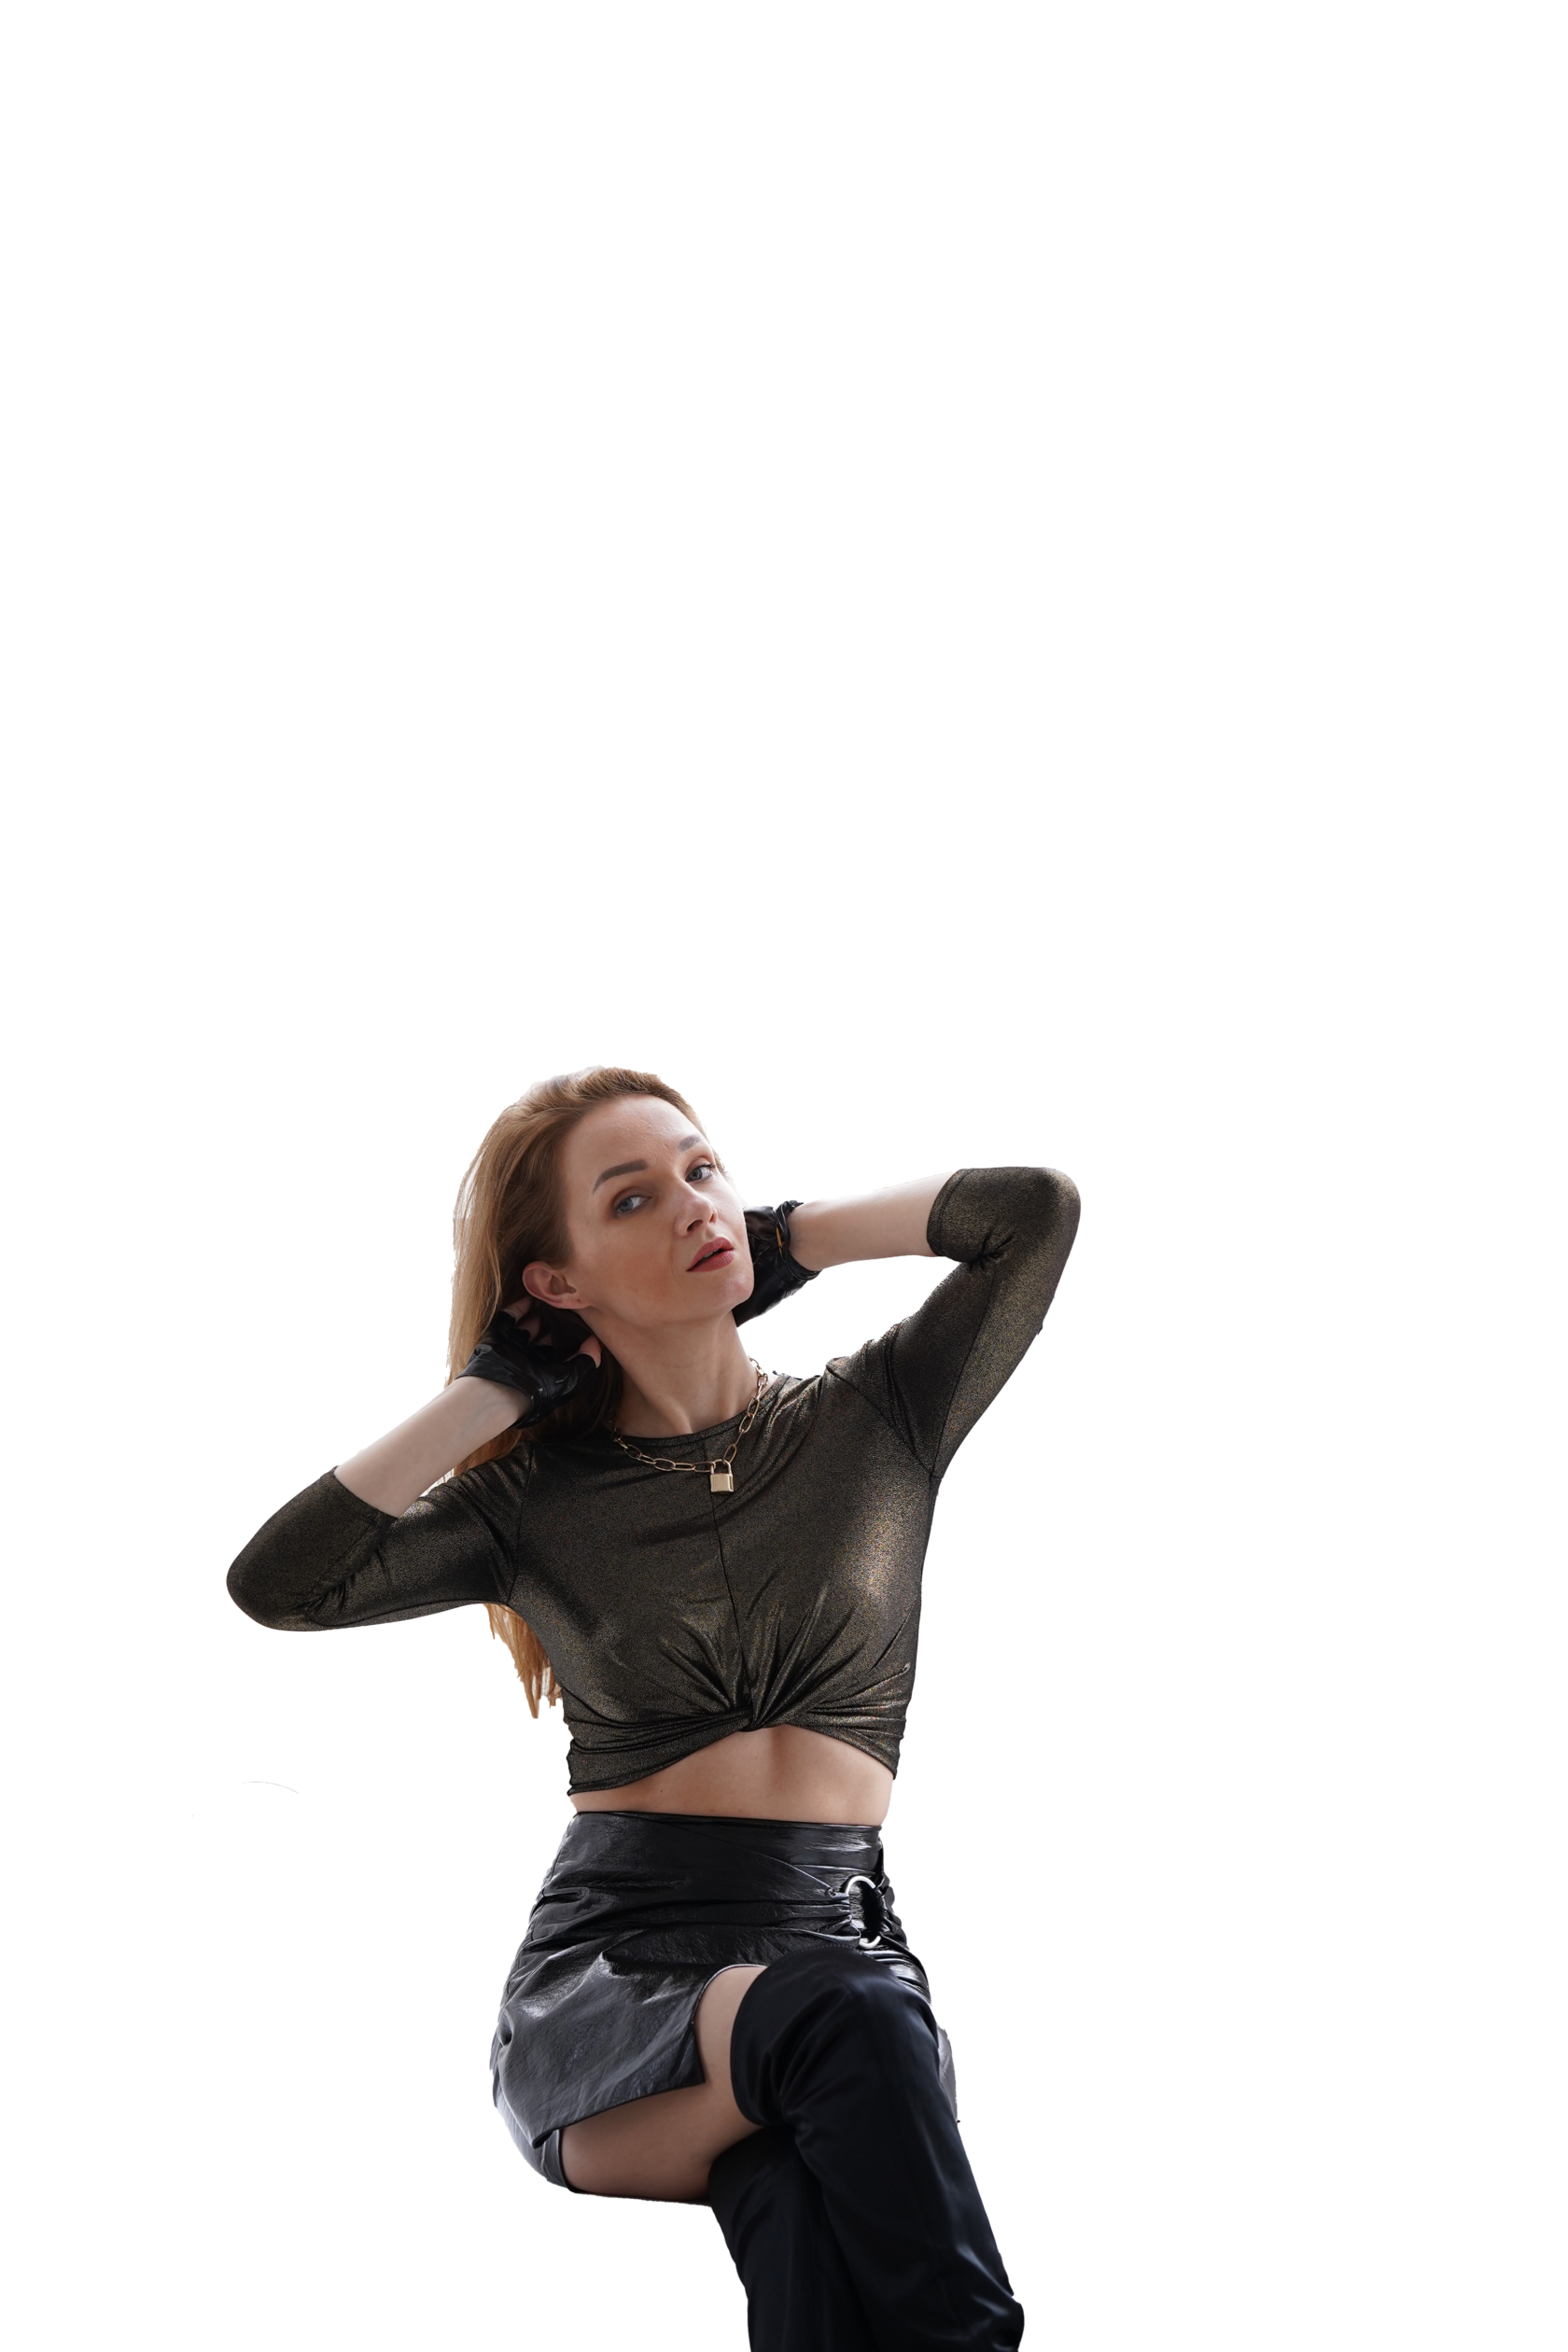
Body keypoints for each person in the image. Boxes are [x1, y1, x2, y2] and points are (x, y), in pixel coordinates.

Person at [226, 1064, 1082, 2349]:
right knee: (848, 2026)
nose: (692, 1204)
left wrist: (786, 1235)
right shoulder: (530, 1504)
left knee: (796, 2198)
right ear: (554, 1283)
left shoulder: (881, 1415)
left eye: (704, 1169)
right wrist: (490, 1396)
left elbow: (1035, 1209)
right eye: (632, 1199)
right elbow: (279, 1585)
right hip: (622, 1973)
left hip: (839, 1939)